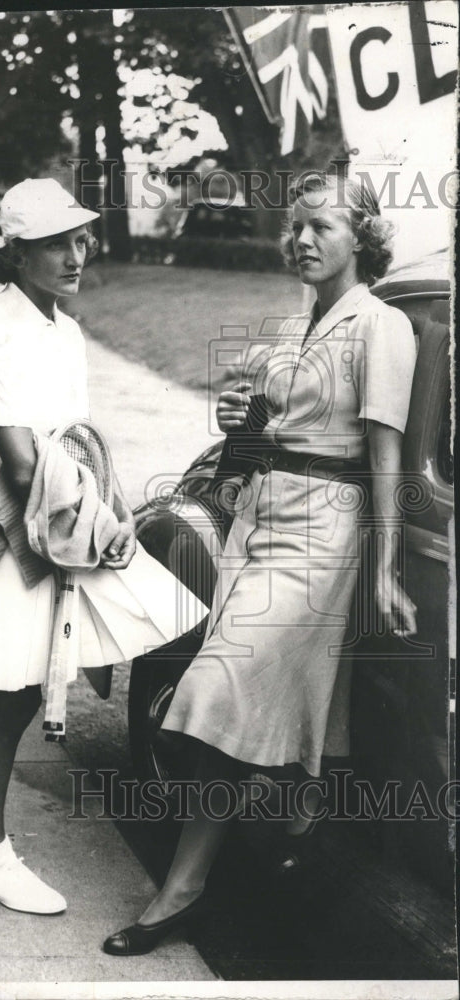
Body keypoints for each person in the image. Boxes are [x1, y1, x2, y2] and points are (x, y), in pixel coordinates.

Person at [103, 171, 418, 955]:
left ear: (362, 239)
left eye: (323, 227)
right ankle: (294, 801)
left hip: (323, 533)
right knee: (243, 705)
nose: (303, 239)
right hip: (257, 523)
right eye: (297, 227)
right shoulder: (293, 326)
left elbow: (384, 454)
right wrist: (237, 435)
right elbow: (256, 426)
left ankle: (187, 887)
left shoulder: (382, 327)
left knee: (212, 696)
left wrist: (382, 570)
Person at [0, 178, 206, 916]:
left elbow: (77, 449)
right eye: (57, 242)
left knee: (171, 620)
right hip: (14, 523)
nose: (76, 254)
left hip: (67, 516)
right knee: (12, 693)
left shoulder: (63, 329)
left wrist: (109, 514)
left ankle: (198, 811)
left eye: (81, 239)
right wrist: (100, 526)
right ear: (18, 254)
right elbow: (24, 466)